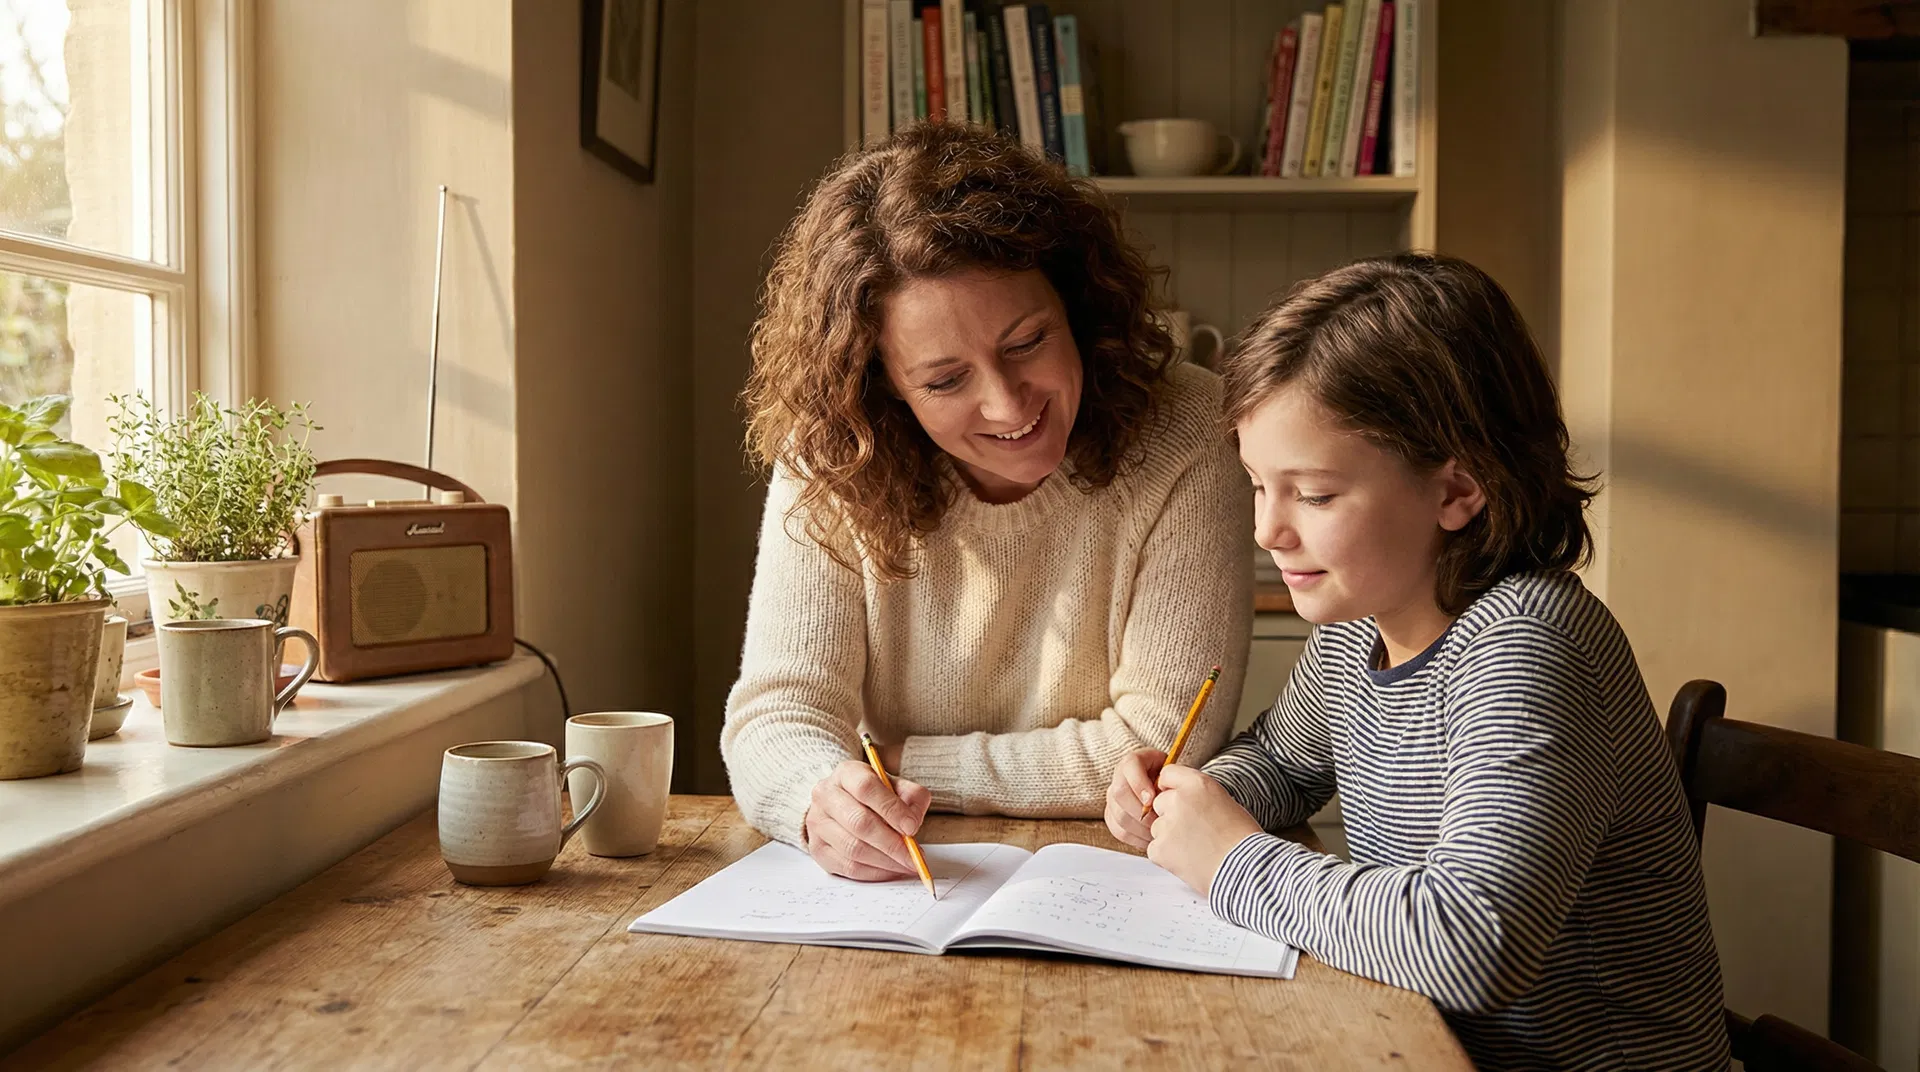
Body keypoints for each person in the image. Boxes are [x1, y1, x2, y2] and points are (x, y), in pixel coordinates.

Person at [1107, 253, 1728, 1070]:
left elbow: (1470, 942)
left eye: (1315, 495)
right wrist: (1198, 796)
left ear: (1456, 491)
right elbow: (1283, 762)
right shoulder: (1356, 630)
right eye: (1259, 485)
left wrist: (1228, 858)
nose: (1268, 531)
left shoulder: (1529, 649)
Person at [724, 122, 1251, 881]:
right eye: (944, 381)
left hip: (1117, 878)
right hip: (903, 882)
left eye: (1027, 342)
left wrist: (911, 764)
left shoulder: (1189, 430)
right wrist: (819, 800)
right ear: (886, 391)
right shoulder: (837, 453)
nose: (1008, 406)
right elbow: (778, 715)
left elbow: (1164, 741)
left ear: (1076, 305)